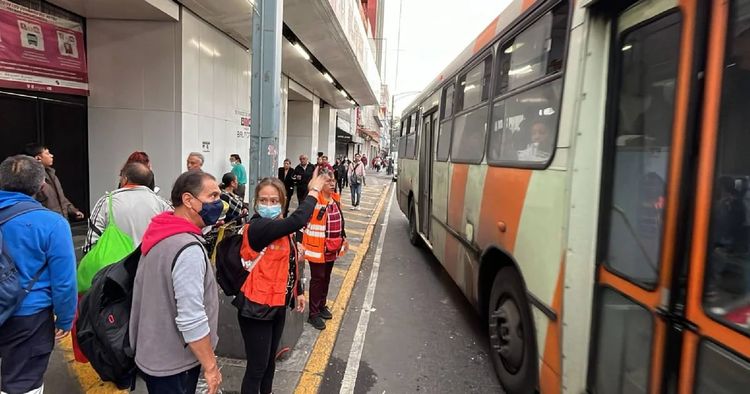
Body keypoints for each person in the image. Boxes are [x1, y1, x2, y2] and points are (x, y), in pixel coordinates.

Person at [130, 171, 223, 394]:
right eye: (213, 196)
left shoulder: (161, 232)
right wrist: (210, 367)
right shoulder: (187, 248)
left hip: (153, 354)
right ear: (189, 200)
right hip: (174, 363)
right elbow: (191, 318)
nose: (219, 204)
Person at [235, 174, 327, 393]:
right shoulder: (258, 227)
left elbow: (291, 262)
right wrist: (313, 191)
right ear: (256, 202)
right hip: (256, 308)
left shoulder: (281, 229)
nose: (268, 205)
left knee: (269, 365)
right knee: (257, 369)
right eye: (264, 200)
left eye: (274, 201)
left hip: (277, 305)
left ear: (282, 203)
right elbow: (298, 220)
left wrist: (300, 292)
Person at [0, 155, 77, 394]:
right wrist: (65, 318)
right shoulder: (52, 224)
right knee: (22, 383)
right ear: (41, 184)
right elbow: (64, 282)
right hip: (29, 317)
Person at [85, 162, 171, 253]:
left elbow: (91, 241)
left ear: (125, 179)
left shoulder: (107, 202)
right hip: (150, 262)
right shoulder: (162, 204)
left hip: (114, 264)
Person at [303, 168, 348, 330]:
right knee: (318, 278)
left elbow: (339, 220)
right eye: (328, 181)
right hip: (317, 249)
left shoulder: (335, 199)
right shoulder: (316, 200)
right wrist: (315, 180)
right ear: (320, 184)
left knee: (326, 277)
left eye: (333, 180)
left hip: (332, 248)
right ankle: (313, 314)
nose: (332, 183)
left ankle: (322, 305)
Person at [25, 143, 85, 221]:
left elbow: (61, 198)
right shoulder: (30, 178)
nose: (51, 155)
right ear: (38, 158)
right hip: (46, 223)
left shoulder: (51, 174)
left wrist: (73, 210)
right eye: (47, 153)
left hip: (60, 221)